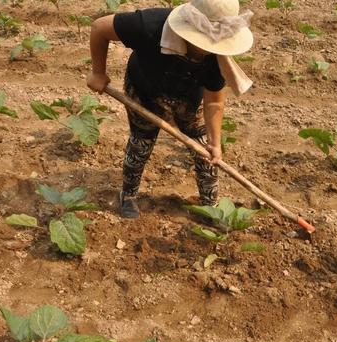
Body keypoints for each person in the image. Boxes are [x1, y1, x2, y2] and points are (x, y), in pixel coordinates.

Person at [87, 0, 254, 218]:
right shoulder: (149, 26)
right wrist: (98, 72)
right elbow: (99, 27)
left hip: (189, 98)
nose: (207, 50)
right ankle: (128, 195)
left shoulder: (217, 56)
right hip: (145, 89)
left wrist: (215, 142)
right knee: (141, 143)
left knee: (205, 152)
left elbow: (213, 100)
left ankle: (211, 208)